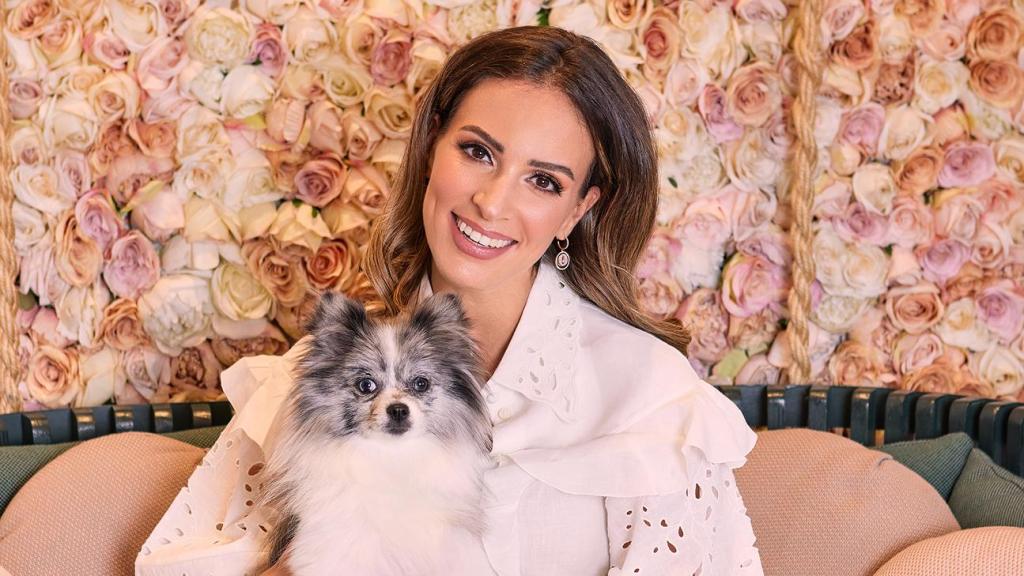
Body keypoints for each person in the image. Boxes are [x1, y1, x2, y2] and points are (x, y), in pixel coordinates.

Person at [137, 26, 763, 576]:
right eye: (478, 151)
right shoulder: (317, 384)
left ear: (578, 210)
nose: (492, 202)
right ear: (432, 147)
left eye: (542, 181)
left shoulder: (652, 403)